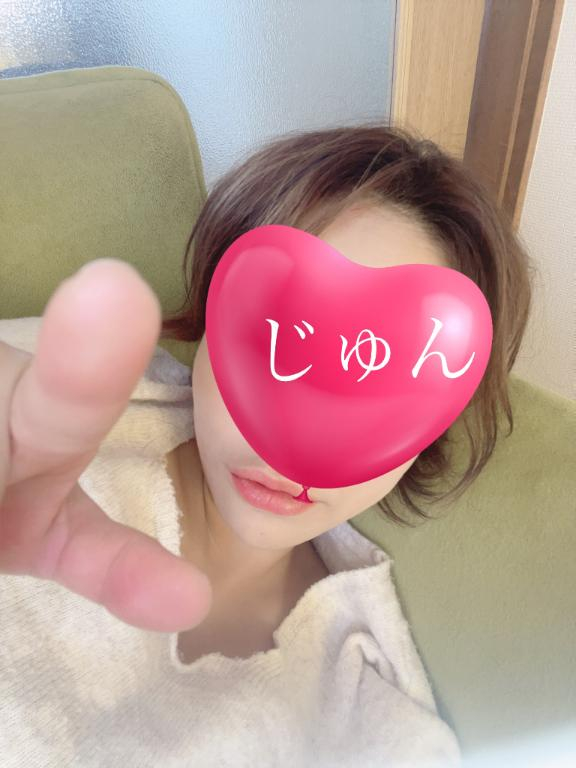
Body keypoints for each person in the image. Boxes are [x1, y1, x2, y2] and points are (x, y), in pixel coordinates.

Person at [0, 124, 533, 767]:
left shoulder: (376, 718)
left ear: (431, 434)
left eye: (375, 390)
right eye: (275, 342)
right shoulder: (53, 412)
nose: (292, 447)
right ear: (207, 325)